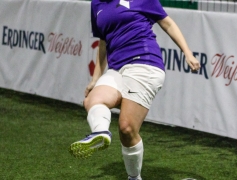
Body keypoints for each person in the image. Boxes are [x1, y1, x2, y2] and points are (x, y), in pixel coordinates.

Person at [69, 0, 200, 179]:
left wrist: (187, 52)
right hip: (117, 69)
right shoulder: (96, 4)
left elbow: (167, 23)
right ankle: (100, 132)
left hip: (144, 63)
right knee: (92, 100)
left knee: (127, 128)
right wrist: (95, 79)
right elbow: (103, 42)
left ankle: (133, 177)